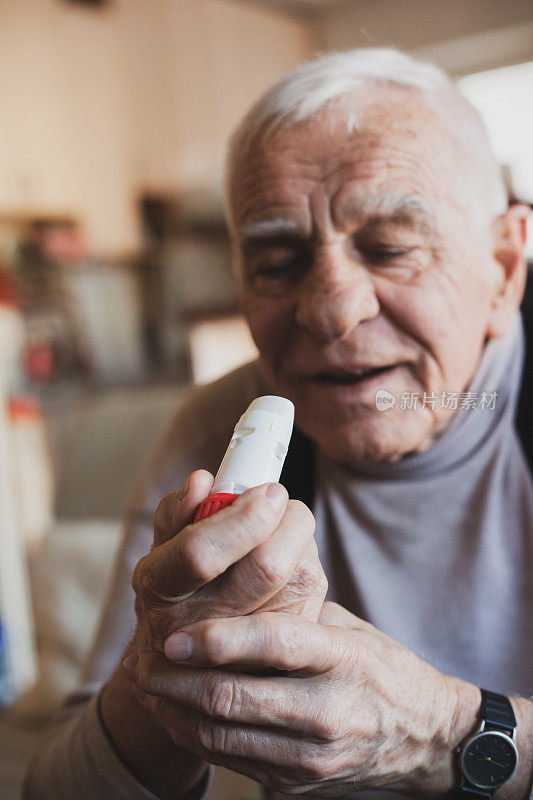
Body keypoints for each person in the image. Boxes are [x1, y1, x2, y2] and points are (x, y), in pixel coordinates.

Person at [24, 48, 533, 800]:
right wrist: (155, 678)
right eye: (275, 263)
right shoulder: (225, 433)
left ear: (504, 267)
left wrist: (442, 731)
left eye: (389, 248)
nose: (329, 311)